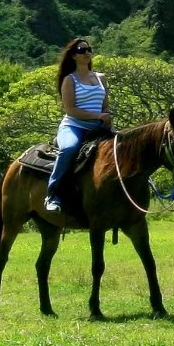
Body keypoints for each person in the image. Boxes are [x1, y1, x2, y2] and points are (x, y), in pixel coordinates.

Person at [44, 38, 113, 214]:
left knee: (126, 148)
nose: (87, 53)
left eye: (89, 49)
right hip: (74, 126)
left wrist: (106, 117)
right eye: (82, 50)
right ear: (74, 55)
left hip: (98, 128)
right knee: (69, 148)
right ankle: (52, 193)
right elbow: (71, 109)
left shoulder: (101, 78)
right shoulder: (70, 80)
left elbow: (105, 105)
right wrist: (98, 115)